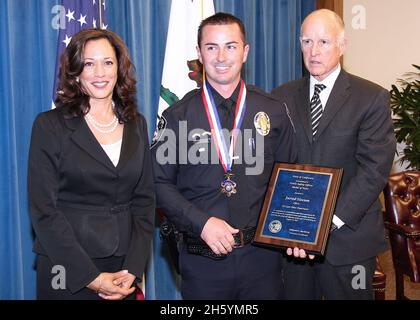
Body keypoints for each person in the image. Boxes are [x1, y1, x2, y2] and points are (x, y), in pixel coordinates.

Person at [152, 12, 296, 299]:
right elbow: (156, 184)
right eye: (211, 47)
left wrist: (296, 229)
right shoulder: (177, 115)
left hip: (263, 260)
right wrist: (201, 222)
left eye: (230, 46)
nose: (221, 56)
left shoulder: (274, 111)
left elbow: (291, 178)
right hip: (203, 261)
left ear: (245, 52)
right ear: (199, 54)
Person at [271, 9, 396, 299]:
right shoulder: (280, 97)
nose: (313, 51)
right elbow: (274, 163)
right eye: (306, 42)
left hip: (349, 240)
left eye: (324, 42)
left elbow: (374, 169)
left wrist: (328, 221)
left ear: (342, 45)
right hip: (295, 242)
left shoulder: (371, 98)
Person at [28, 29, 155, 300]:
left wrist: (133, 267)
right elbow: (44, 211)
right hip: (67, 268)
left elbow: (145, 201)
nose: (100, 73)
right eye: (89, 63)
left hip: (124, 270)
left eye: (108, 62)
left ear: (119, 68)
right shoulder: (49, 126)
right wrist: (92, 279)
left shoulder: (137, 124)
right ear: (75, 72)